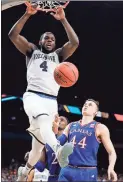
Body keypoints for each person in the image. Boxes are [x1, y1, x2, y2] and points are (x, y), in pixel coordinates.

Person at [8, 2, 79, 181]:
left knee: (37, 147)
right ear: (40, 41)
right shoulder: (31, 51)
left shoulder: (59, 55)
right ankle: (59, 149)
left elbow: (75, 42)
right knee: (44, 121)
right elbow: (12, 35)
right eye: (46, 38)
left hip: (51, 100)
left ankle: (25, 172)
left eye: (52, 39)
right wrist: (27, 14)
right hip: (33, 95)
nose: (49, 40)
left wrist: (63, 19)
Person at [57, 99, 117, 181]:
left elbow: (111, 152)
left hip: (86, 171)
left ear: (95, 112)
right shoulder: (71, 125)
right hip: (67, 169)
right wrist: (54, 129)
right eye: (85, 104)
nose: (86, 105)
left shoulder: (100, 128)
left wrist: (111, 167)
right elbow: (57, 143)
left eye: (90, 105)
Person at [35, 116, 69, 182]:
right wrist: (32, 157)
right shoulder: (46, 142)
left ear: (68, 125)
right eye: (57, 119)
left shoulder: (72, 140)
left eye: (62, 119)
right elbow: (40, 167)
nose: (59, 120)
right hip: (52, 178)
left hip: (67, 177)